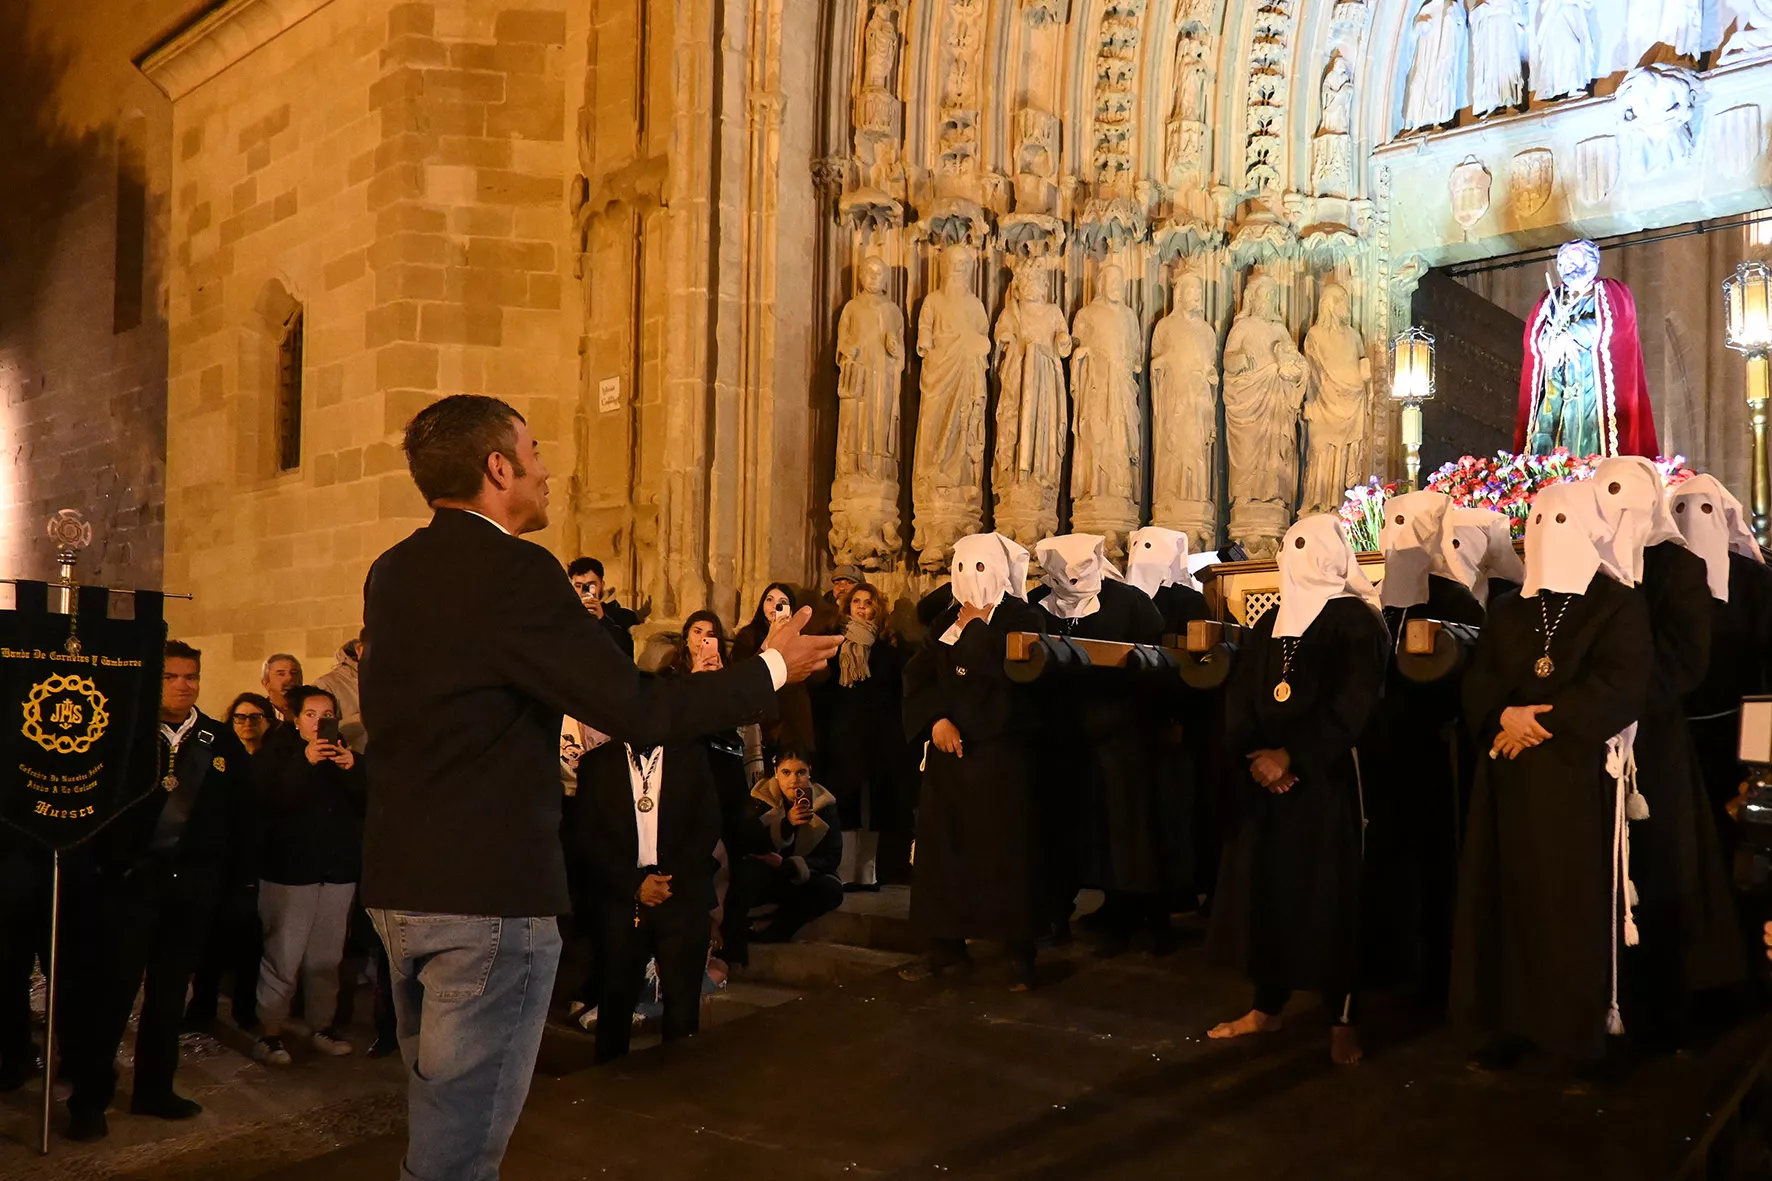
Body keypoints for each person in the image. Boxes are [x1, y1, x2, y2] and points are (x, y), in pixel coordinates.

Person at [359, 394, 836, 1181]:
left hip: (401, 886)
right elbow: (637, 707)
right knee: (458, 1156)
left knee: (437, 1125)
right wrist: (773, 667)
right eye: (535, 450)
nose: (549, 470)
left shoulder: (396, 568)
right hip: (488, 899)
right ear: (498, 467)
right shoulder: (514, 571)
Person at [1452, 481, 1653, 1073]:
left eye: (1563, 521)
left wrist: (1546, 723)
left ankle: (1573, 1034)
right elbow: (1480, 681)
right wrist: (1501, 716)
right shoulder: (1510, 608)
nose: (1549, 532)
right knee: (1505, 898)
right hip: (1508, 780)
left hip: (1574, 776)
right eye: (1538, 521)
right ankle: (1506, 1021)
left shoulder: (1617, 603)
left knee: (1569, 904)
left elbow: (1623, 683)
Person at [1208, 515, 1388, 1067]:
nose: (1300, 556)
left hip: (1328, 783)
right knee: (1270, 894)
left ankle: (1342, 1018)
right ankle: (1267, 1005)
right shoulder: (1270, 625)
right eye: (1295, 546)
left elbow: (1355, 703)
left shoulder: (1355, 620)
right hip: (1269, 788)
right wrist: (1256, 757)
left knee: (1331, 897)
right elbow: (1241, 698)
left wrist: (1294, 757)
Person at [63, 641, 258, 1141]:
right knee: (110, 997)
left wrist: (234, 885)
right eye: (172, 676)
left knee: (171, 996)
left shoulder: (218, 740)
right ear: (154, 680)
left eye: (191, 676)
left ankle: (154, 1088)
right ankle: (90, 1099)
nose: (183, 684)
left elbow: (242, 818)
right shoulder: (123, 735)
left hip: (192, 892)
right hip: (129, 889)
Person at [1590, 457, 1741, 1048]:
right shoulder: (1592, 567)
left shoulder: (1676, 564)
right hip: (1599, 734)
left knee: (1665, 858)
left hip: (1653, 734)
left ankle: (1670, 997)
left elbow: (1685, 658)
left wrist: (1620, 699)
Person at [899, 533, 1045, 990]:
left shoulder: (1025, 616)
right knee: (944, 855)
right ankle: (946, 949)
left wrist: (979, 628)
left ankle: (1017, 957)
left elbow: (1014, 676)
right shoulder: (945, 619)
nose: (968, 579)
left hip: (1001, 759)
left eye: (979, 568)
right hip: (951, 760)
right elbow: (920, 676)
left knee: (1003, 857)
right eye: (961, 568)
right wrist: (936, 720)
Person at [1360, 491, 1485, 1003]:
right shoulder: (1375, 602)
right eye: (1393, 527)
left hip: (1435, 751)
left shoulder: (1454, 600)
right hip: (1380, 750)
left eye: (1412, 528)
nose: (1399, 540)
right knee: (1384, 860)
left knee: (1433, 861)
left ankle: (1437, 969)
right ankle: (1385, 958)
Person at [1029, 534, 1169, 955]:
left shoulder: (1129, 602)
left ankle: (1132, 915)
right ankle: (1054, 912)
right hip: (1057, 737)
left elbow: (1157, 662)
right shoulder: (1037, 604)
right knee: (1058, 828)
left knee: (1123, 830)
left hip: (1119, 736)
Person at [571, 735, 723, 1063]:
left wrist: (671, 880)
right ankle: (607, 1094)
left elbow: (708, 825)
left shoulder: (691, 756)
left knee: (683, 1012)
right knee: (614, 1007)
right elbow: (585, 836)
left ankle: (676, 1094)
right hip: (621, 899)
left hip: (680, 896)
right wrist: (634, 883)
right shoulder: (598, 763)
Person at [250, 686, 367, 1066]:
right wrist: (305, 761)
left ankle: (322, 1025)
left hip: (336, 871)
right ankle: (269, 1032)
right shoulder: (276, 754)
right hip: (290, 872)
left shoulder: (346, 755)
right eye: (312, 714)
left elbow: (367, 802)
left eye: (327, 713)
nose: (320, 721)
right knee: (283, 956)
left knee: (327, 958)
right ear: (296, 719)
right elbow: (271, 800)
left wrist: (352, 768)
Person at [1669, 477, 1772, 841]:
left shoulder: (1753, 580)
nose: (1693, 520)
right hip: (1672, 727)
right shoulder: (1656, 577)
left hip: (1736, 727)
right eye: (1680, 509)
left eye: (1706, 509)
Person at [818, 581, 911, 891]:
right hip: (843, 736)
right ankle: (843, 871)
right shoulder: (834, 645)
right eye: (856, 601)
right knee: (844, 800)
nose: (861, 607)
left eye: (867, 602)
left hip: (878, 737)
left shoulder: (887, 650)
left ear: (876, 608)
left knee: (874, 804)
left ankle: (867, 873)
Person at [733, 751, 845, 943]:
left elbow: (832, 856)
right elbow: (747, 842)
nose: (793, 780)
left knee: (831, 890)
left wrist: (792, 866)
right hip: (767, 873)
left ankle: (774, 930)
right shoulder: (761, 799)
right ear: (776, 772)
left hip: (802, 874)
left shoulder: (824, 803)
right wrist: (786, 825)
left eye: (800, 772)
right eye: (786, 772)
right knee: (745, 876)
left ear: (809, 771)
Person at [734, 582, 822, 757]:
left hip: (794, 716)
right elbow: (743, 673)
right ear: (762, 605)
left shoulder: (802, 634)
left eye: (782, 601)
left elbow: (817, 677)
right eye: (770, 600)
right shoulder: (748, 636)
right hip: (765, 715)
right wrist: (771, 637)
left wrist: (796, 636)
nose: (776, 606)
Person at [568, 557, 636, 659]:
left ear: (602, 585)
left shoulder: (623, 616)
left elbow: (627, 654)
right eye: (578, 585)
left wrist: (603, 620)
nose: (584, 591)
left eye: (591, 585)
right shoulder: (562, 615)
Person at [314, 634, 367, 753]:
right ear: (359, 649)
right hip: (353, 761)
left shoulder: (388, 680)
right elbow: (320, 733)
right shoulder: (326, 684)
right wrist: (366, 717)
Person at [261, 653, 304, 724]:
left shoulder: (311, 712)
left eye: (294, 673)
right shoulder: (260, 715)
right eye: (281, 674)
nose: (290, 678)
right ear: (266, 683)